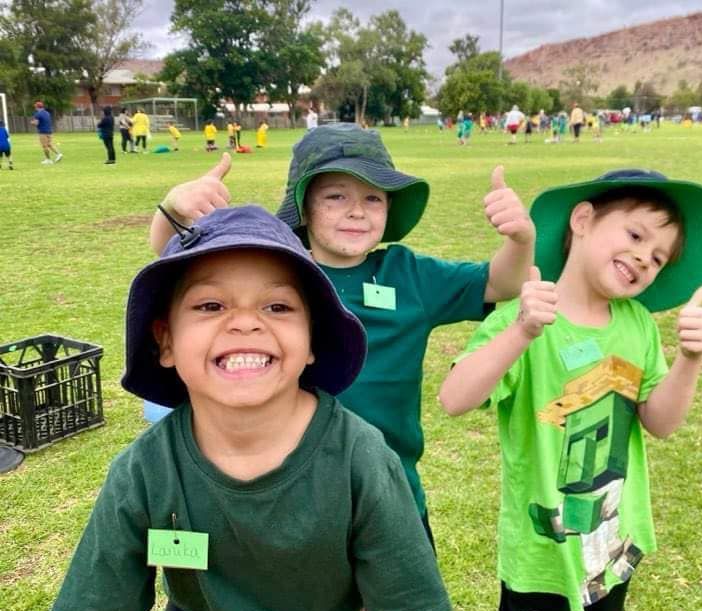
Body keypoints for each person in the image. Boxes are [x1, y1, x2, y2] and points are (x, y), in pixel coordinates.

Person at [50, 205, 452, 611]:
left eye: (277, 307)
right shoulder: (145, 471)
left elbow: (408, 609)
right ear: (165, 341)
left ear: (312, 339)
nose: (245, 323)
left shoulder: (361, 458)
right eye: (210, 306)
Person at [148, 123, 536, 548]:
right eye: (336, 196)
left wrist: (520, 238)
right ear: (304, 206)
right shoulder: (279, 268)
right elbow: (176, 260)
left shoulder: (410, 275)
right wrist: (173, 211)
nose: (357, 211)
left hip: (390, 490)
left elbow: (501, 283)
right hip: (286, 494)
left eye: (373, 197)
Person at [439, 169, 702, 611]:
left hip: (610, 547)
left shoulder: (638, 324)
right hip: (542, 560)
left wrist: (689, 358)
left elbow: (661, 422)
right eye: (634, 235)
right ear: (582, 220)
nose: (641, 259)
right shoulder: (524, 316)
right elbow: (453, 399)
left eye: (657, 259)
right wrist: (522, 332)